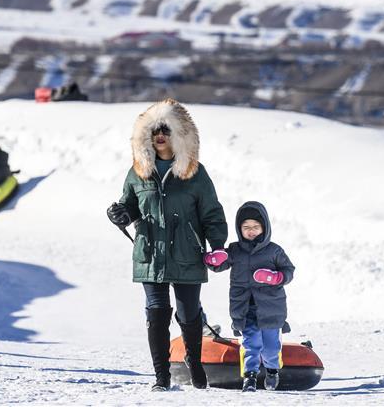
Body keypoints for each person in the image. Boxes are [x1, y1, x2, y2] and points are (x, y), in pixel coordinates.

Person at [107, 99, 228, 391]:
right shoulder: (137, 172)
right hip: (151, 254)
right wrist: (120, 214)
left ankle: (194, 361)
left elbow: (211, 212)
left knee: (189, 313)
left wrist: (218, 245)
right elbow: (130, 204)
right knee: (156, 312)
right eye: (154, 130)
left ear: (179, 134)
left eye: (166, 129)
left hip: (187, 252)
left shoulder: (196, 173)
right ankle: (161, 376)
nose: (160, 135)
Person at [204, 201, 295, 392]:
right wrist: (213, 260)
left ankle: (272, 370)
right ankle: (250, 377)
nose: (251, 231)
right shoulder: (236, 249)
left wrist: (275, 277)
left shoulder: (274, 250)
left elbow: (288, 271)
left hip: (271, 308)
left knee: (270, 347)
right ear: (240, 229)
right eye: (246, 227)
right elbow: (221, 263)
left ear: (264, 227)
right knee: (250, 343)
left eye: (255, 227)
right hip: (244, 308)